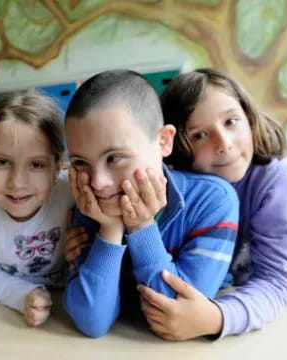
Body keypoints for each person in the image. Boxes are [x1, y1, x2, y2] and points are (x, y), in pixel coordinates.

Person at [135, 68, 287, 341]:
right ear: (173, 146)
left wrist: (216, 318)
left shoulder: (278, 182)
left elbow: (276, 281)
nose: (223, 143)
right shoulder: (183, 190)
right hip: (234, 292)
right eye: (199, 135)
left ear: (249, 118)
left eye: (231, 121)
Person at [62, 70, 239, 338]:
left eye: (114, 158)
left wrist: (142, 226)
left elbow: (179, 314)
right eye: (81, 163)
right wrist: (109, 228)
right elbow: (92, 321)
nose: (98, 182)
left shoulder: (213, 201)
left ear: (163, 141)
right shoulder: (90, 204)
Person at [0, 92, 74, 327]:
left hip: (74, 309)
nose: (17, 183)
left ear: (58, 164)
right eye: (2, 162)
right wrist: (23, 297)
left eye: (36, 164)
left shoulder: (72, 193)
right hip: (8, 317)